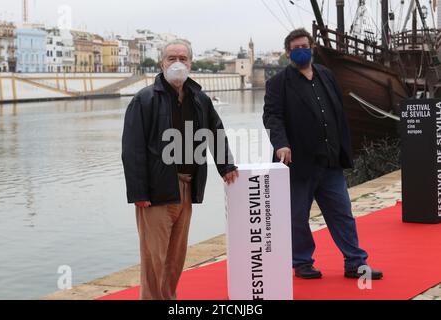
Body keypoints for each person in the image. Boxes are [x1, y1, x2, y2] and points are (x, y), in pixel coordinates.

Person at [122, 39, 239, 300]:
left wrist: (226, 166)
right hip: (156, 192)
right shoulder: (144, 100)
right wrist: (138, 191)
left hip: (187, 187)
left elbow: (215, 133)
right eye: (171, 58)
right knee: (155, 259)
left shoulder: (200, 99)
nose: (177, 63)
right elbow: (132, 150)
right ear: (162, 62)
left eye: (183, 58)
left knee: (175, 257)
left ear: (190, 62)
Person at [263, 28, 383, 280]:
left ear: (313, 47)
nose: (300, 50)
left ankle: (355, 263)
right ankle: (302, 262)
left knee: (343, 213)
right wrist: (281, 144)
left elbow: (337, 111)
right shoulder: (278, 83)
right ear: (287, 52)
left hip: (330, 162)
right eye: (295, 48)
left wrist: (344, 147)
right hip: (298, 162)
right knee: (297, 217)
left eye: (304, 46)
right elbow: (272, 117)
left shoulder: (326, 75)